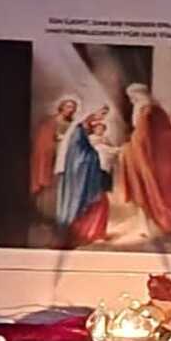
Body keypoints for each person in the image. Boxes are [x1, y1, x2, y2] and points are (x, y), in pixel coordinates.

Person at [118, 83, 171, 237]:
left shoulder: (146, 110)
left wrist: (128, 148)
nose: (131, 100)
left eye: (133, 97)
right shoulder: (155, 110)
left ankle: (150, 226)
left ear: (139, 95)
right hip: (148, 156)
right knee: (144, 190)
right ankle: (146, 225)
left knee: (146, 190)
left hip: (147, 157)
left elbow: (142, 136)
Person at [56, 106, 113, 247]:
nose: (101, 118)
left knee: (102, 202)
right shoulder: (77, 131)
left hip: (91, 174)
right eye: (99, 114)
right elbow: (78, 157)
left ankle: (95, 233)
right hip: (83, 176)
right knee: (95, 202)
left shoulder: (83, 131)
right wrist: (95, 156)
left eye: (103, 115)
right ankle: (87, 234)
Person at [30, 95, 78, 219]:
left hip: (66, 159)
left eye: (73, 107)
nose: (71, 110)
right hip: (51, 157)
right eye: (68, 106)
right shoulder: (51, 122)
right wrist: (57, 142)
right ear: (61, 107)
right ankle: (44, 214)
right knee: (47, 186)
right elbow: (43, 141)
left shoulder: (72, 124)